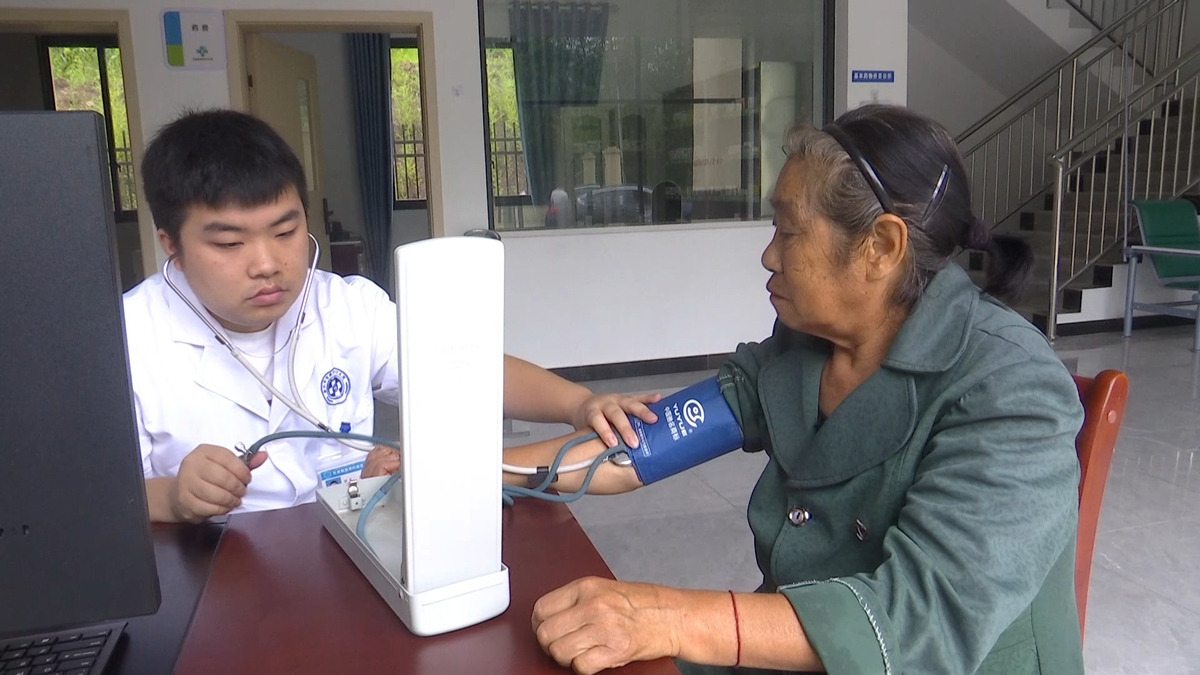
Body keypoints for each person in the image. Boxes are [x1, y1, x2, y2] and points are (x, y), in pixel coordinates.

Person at [506, 105, 1085, 674]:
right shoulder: (804, 344)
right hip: (797, 648)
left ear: (881, 246)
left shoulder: (1012, 388)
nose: (768, 254)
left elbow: (916, 627)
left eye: (788, 231)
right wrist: (467, 472)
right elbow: (639, 448)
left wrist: (665, 615)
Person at [127, 109, 659, 524]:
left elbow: (465, 370)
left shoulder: (347, 307)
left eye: (286, 232)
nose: (267, 264)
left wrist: (579, 402)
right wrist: (173, 498)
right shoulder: (125, 343)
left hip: (344, 540)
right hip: (210, 565)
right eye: (230, 242)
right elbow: (85, 507)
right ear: (170, 243)